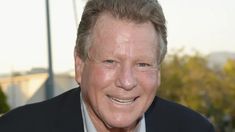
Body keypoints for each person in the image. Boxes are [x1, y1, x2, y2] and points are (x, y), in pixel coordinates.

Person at [0, 0, 215, 131]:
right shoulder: (17, 128)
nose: (127, 81)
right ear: (80, 65)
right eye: (110, 62)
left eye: (142, 64)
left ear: (158, 72)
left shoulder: (194, 129)